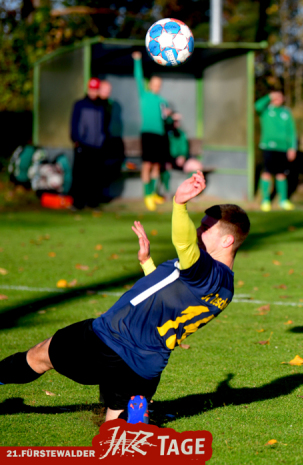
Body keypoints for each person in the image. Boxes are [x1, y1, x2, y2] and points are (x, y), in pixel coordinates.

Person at [0, 172, 250, 422]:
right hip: (146, 365)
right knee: (115, 430)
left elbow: (183, 243)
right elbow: (174, 300)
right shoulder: (226, 288)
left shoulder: (205, 268)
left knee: (39, 355)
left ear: (227, 240)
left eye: (205, 228)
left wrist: (179, 203)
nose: (197, 231)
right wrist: (147, 263)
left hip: (110, 339)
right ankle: (132, 418)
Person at [132, 51, 172, 211]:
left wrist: (169, 117)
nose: (156, 86)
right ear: (150, 84)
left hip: (160, 135)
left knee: (157, 165)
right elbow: (138, 77)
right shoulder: (144, 95)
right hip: (147, 134)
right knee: (147, 164)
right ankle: (147, 195)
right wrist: (137, 61)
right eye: (154, 83)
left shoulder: (163, 101)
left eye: (159, 84)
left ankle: (154, 193)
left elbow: (166, 120)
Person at [255, 90, 298, 212]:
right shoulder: (266, 110)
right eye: (275, 97)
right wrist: (269, 96)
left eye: (280, 96)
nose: (278, 99)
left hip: (283, 148)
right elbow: (257, 105)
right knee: (267, 173)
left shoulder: (286, 112)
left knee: (281, 174)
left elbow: (292, 131)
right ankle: (266, 200)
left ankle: (283, 200)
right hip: (268, 147)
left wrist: (292, 148)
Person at [69, 77, 108, 210]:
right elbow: (74, 124)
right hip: (83, 145)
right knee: (80, 176)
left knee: (95, 176)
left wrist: (103, 140)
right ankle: (78, 203)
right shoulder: (79, 104)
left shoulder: (102, 105)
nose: (93, 92)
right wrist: (76, 140)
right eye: (91, 89)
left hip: (97, 146)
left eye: (95, 90)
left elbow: (104, 126)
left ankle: (93, 203)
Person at [98, 80, 125, 201]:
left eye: (108, 90)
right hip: (98, 143)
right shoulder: (96, 104)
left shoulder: (112, 105)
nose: (107, 92)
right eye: (105, 90)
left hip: (109, 142)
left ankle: (103, 194)